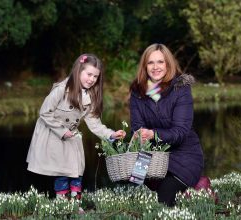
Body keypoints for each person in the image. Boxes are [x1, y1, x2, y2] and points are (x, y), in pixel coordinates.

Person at [26, 53, 126, 200]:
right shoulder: (61, 90)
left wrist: (111, 134)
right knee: (62, 171)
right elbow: (45, 112)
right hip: (54, 133)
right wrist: (62, 131)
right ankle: (62, 202)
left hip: (72, 135)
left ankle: (75, 203)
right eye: (89, 74)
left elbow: (94, 123)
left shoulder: (90, 96)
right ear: (78, 71)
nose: (91, 79)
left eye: (95, 76)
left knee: (77, 170)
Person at [129, 43, 204, 207]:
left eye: (160, 62)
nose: (155, 67)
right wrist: (139, 135)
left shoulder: (181, 88)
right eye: (150, 63)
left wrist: (153, 134)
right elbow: (136, 126)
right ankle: (192, 189)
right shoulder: (137, 91)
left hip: (183, 156)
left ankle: (200, 185)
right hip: (152, 156)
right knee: (134, 188)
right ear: (145, 66)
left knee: (163, 198)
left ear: (168, 64)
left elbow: (181, 132)